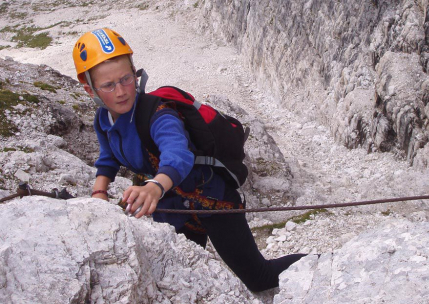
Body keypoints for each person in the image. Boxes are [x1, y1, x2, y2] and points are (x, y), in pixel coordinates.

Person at [72, 28, 306, 292]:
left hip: (212, 199)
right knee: (180, 279)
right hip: (173, 207)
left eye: (126, 78)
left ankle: (327, 262)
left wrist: (154, 186)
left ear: (135, 71)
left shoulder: (158, 114)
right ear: (89, 88)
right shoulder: (103, 120)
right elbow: (108, 158)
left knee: (259, 278)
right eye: (108, 85)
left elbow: (178, 154)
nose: (121, 91)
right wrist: (99, 192)